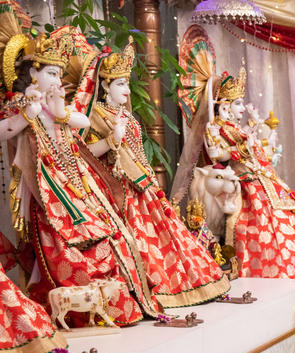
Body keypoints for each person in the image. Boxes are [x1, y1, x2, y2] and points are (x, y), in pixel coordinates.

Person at [0, 22, 157, 325]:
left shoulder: (55, 106)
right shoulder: (22, 102)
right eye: (51, 73)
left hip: (73, 183)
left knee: (103, 237)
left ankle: (110, 303)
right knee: (59, 243)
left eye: (59, 74)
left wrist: (58, 108)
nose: (57, 79)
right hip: (45, 189)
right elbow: (4, 131)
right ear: (32, 74)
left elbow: (81, 123)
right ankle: (69, 308)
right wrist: (25, 117)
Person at [85, 38, 230, 308]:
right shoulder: (95, 115)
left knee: (170, 237)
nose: (126, 90)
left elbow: (138, 152)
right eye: (120, 84)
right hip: (116, 190)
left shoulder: (126, 116)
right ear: (104, 86)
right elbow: (85, 153)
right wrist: (110, 141)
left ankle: (186, 285)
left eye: (127, 83)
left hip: (143, 185)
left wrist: (150, 180)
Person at [201, 67, 295, 293]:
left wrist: (247, 145)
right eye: (237, 103)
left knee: (293, 222)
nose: (242, 108)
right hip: (247, 185)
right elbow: (217, 156)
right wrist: (233, 150)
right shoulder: (216, 128)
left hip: (264, 179)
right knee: (266, 227)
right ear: (224, 106)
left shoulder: (234, 128)